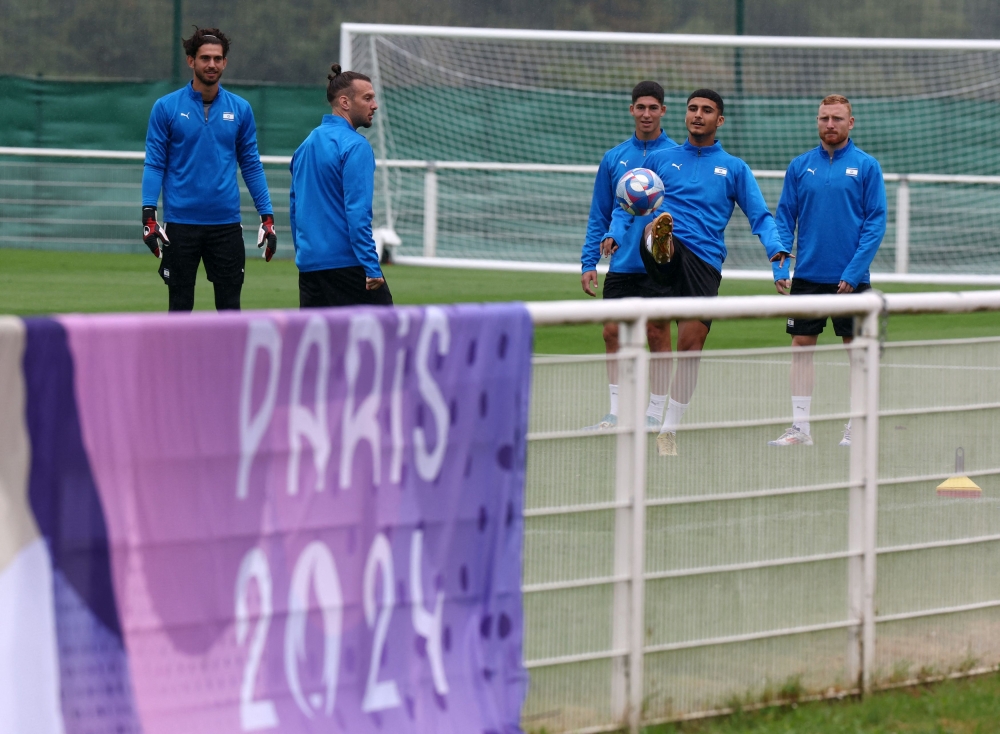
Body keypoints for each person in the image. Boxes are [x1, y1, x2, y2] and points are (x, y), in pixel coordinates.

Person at [605, 89, 791, 456]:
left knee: (691, 346)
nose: (698, 115)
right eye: (692, 109)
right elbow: (626, 201)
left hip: (704, 262)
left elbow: (761, 216)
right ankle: (661, 241)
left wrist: (778, 254)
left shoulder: (734, 168)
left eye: (707, 111)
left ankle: (668, 431)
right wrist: (612, 232)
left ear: (719, 120)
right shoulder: (660, 159)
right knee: (655, 232)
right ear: (685, 115)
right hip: (666, 247)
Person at [768, 94, 887, 447]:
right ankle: (800, 428)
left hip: (850, 281)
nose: (830, 124)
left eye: (837, 118)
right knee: (801, 348)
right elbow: (784, 217)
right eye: (824, 118)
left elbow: (875, 223)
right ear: (817, 122)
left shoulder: (866, 166)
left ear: (851, 123)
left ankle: (857, 426)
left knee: (857, 352)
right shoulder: (800, 166)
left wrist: (853, 273)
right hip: (807, 277)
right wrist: (780, 265)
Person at [141, 27, 276, 312]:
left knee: (230, 310)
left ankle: (229, 360)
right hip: (180, 224)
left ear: (225, 62)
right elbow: (155, 163)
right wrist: (148, 214)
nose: (211, 64)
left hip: (225, 225)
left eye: (217, 58)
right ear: (191, 61)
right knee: (179, 308)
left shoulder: (240, 109)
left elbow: (251, 164)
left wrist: (267, 216)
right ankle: (177, 360)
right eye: (205, 58)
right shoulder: (165, 108)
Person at [581, 81, 677, 430]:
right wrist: (589, 261)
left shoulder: (676, 156)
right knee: (611, 333)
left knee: (657, 332)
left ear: (663, 111)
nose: (647, 113)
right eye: (641, 107)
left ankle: (653, 414)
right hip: (621, 264)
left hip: (659, 262)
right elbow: (600, 214)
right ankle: (616, 412)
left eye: (653, 107)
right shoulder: (615, 157)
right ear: (632, 110)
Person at [289, 64, 390, 307]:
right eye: (367, 98)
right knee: (387, 336)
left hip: (310, 266)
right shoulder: (355, 146)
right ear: (345, 102)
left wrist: (304, 255)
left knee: (319, 345)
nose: (374, 105)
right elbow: (358, 212)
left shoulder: (306, 145)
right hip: (348, 265)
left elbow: (295, 209)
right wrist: (371, 266)